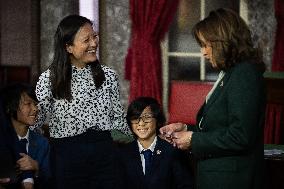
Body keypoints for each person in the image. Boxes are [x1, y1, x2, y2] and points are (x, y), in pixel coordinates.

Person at [160, 8, 266, 189]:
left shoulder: (244, 74)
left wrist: (193, 140)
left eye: (205, 45)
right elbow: (219, 128)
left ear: (222, 41)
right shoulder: (231, 72)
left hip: (233, 181)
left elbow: (240, 136)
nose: (203, 52)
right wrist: (186, 128)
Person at [34, 14, 131, 189]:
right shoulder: (49, 79)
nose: (94, 43)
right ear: (68, 47)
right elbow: (35, 123)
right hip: (66, 157)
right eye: (86, 40)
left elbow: (118, 119)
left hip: (105, 155)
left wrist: (146, 138)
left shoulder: (108, 75)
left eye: (95, 36)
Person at [117, 97, 193, 189]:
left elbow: (186, 185)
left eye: (147, 117)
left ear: (157, 120)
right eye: (135, 118)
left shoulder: (172, 151)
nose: (141, 123)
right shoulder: (122, 154)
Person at [0, 83, 51, 189]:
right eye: (28, 104)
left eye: (35, 104)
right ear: (10, 108)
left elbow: (52, 182)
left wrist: (37, 168)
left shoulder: (42, 143)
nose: (35, 109)